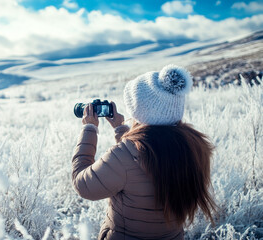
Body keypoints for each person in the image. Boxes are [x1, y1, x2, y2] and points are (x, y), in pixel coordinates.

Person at [71, 65, 217, 239]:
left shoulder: (124, 155)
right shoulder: (194, 147)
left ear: (141, 111)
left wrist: (89, 129)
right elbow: (145, 156)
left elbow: (84, 186)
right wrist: (121, 129)